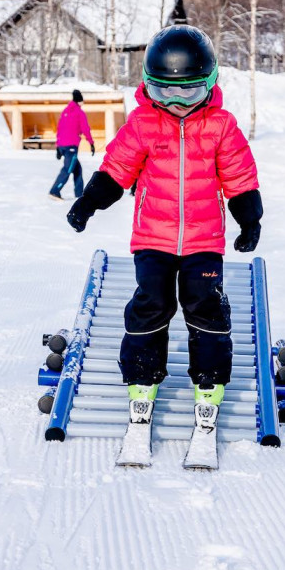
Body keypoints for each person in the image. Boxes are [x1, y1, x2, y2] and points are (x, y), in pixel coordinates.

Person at [65, 25, 263, 416]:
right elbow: (117, 170)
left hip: (203, 240)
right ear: (148, 86)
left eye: (187, 90)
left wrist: (249, 221)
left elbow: (240, 178)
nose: (175, 102)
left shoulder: (221, 127)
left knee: (206, 306)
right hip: (152, 238)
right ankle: (142, 377)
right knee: (151, 303)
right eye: (163, 91)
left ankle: (209, 383)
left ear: (208, 83)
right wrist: (88, 202)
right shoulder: (142, 125)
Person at [49, 89, 95, 199]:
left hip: (63, 145)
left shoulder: (65, 111)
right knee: (68, 169)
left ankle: (80, 195)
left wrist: (58, 147)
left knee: (77, 169)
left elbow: (59, 128)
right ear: (79, 101)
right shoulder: (79, 112)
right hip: (71, 147)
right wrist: (91, 143)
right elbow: (85, 129)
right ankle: (55, 191)